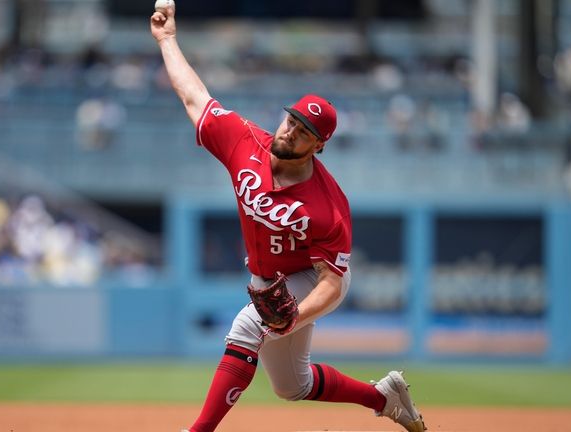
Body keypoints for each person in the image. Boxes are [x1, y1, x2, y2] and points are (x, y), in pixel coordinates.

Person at [150, 6, 426, 432]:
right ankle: (383, 396)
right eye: (290, 119)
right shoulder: (245, 143)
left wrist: (294, 315)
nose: (289, 131)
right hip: (268, 280)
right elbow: (194, 96)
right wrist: (167, 40)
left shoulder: (329, 205)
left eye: (303, 131)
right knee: (291, 385)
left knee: (246, 327)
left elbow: (333, 283)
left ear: (318, 146)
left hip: (314, 279)